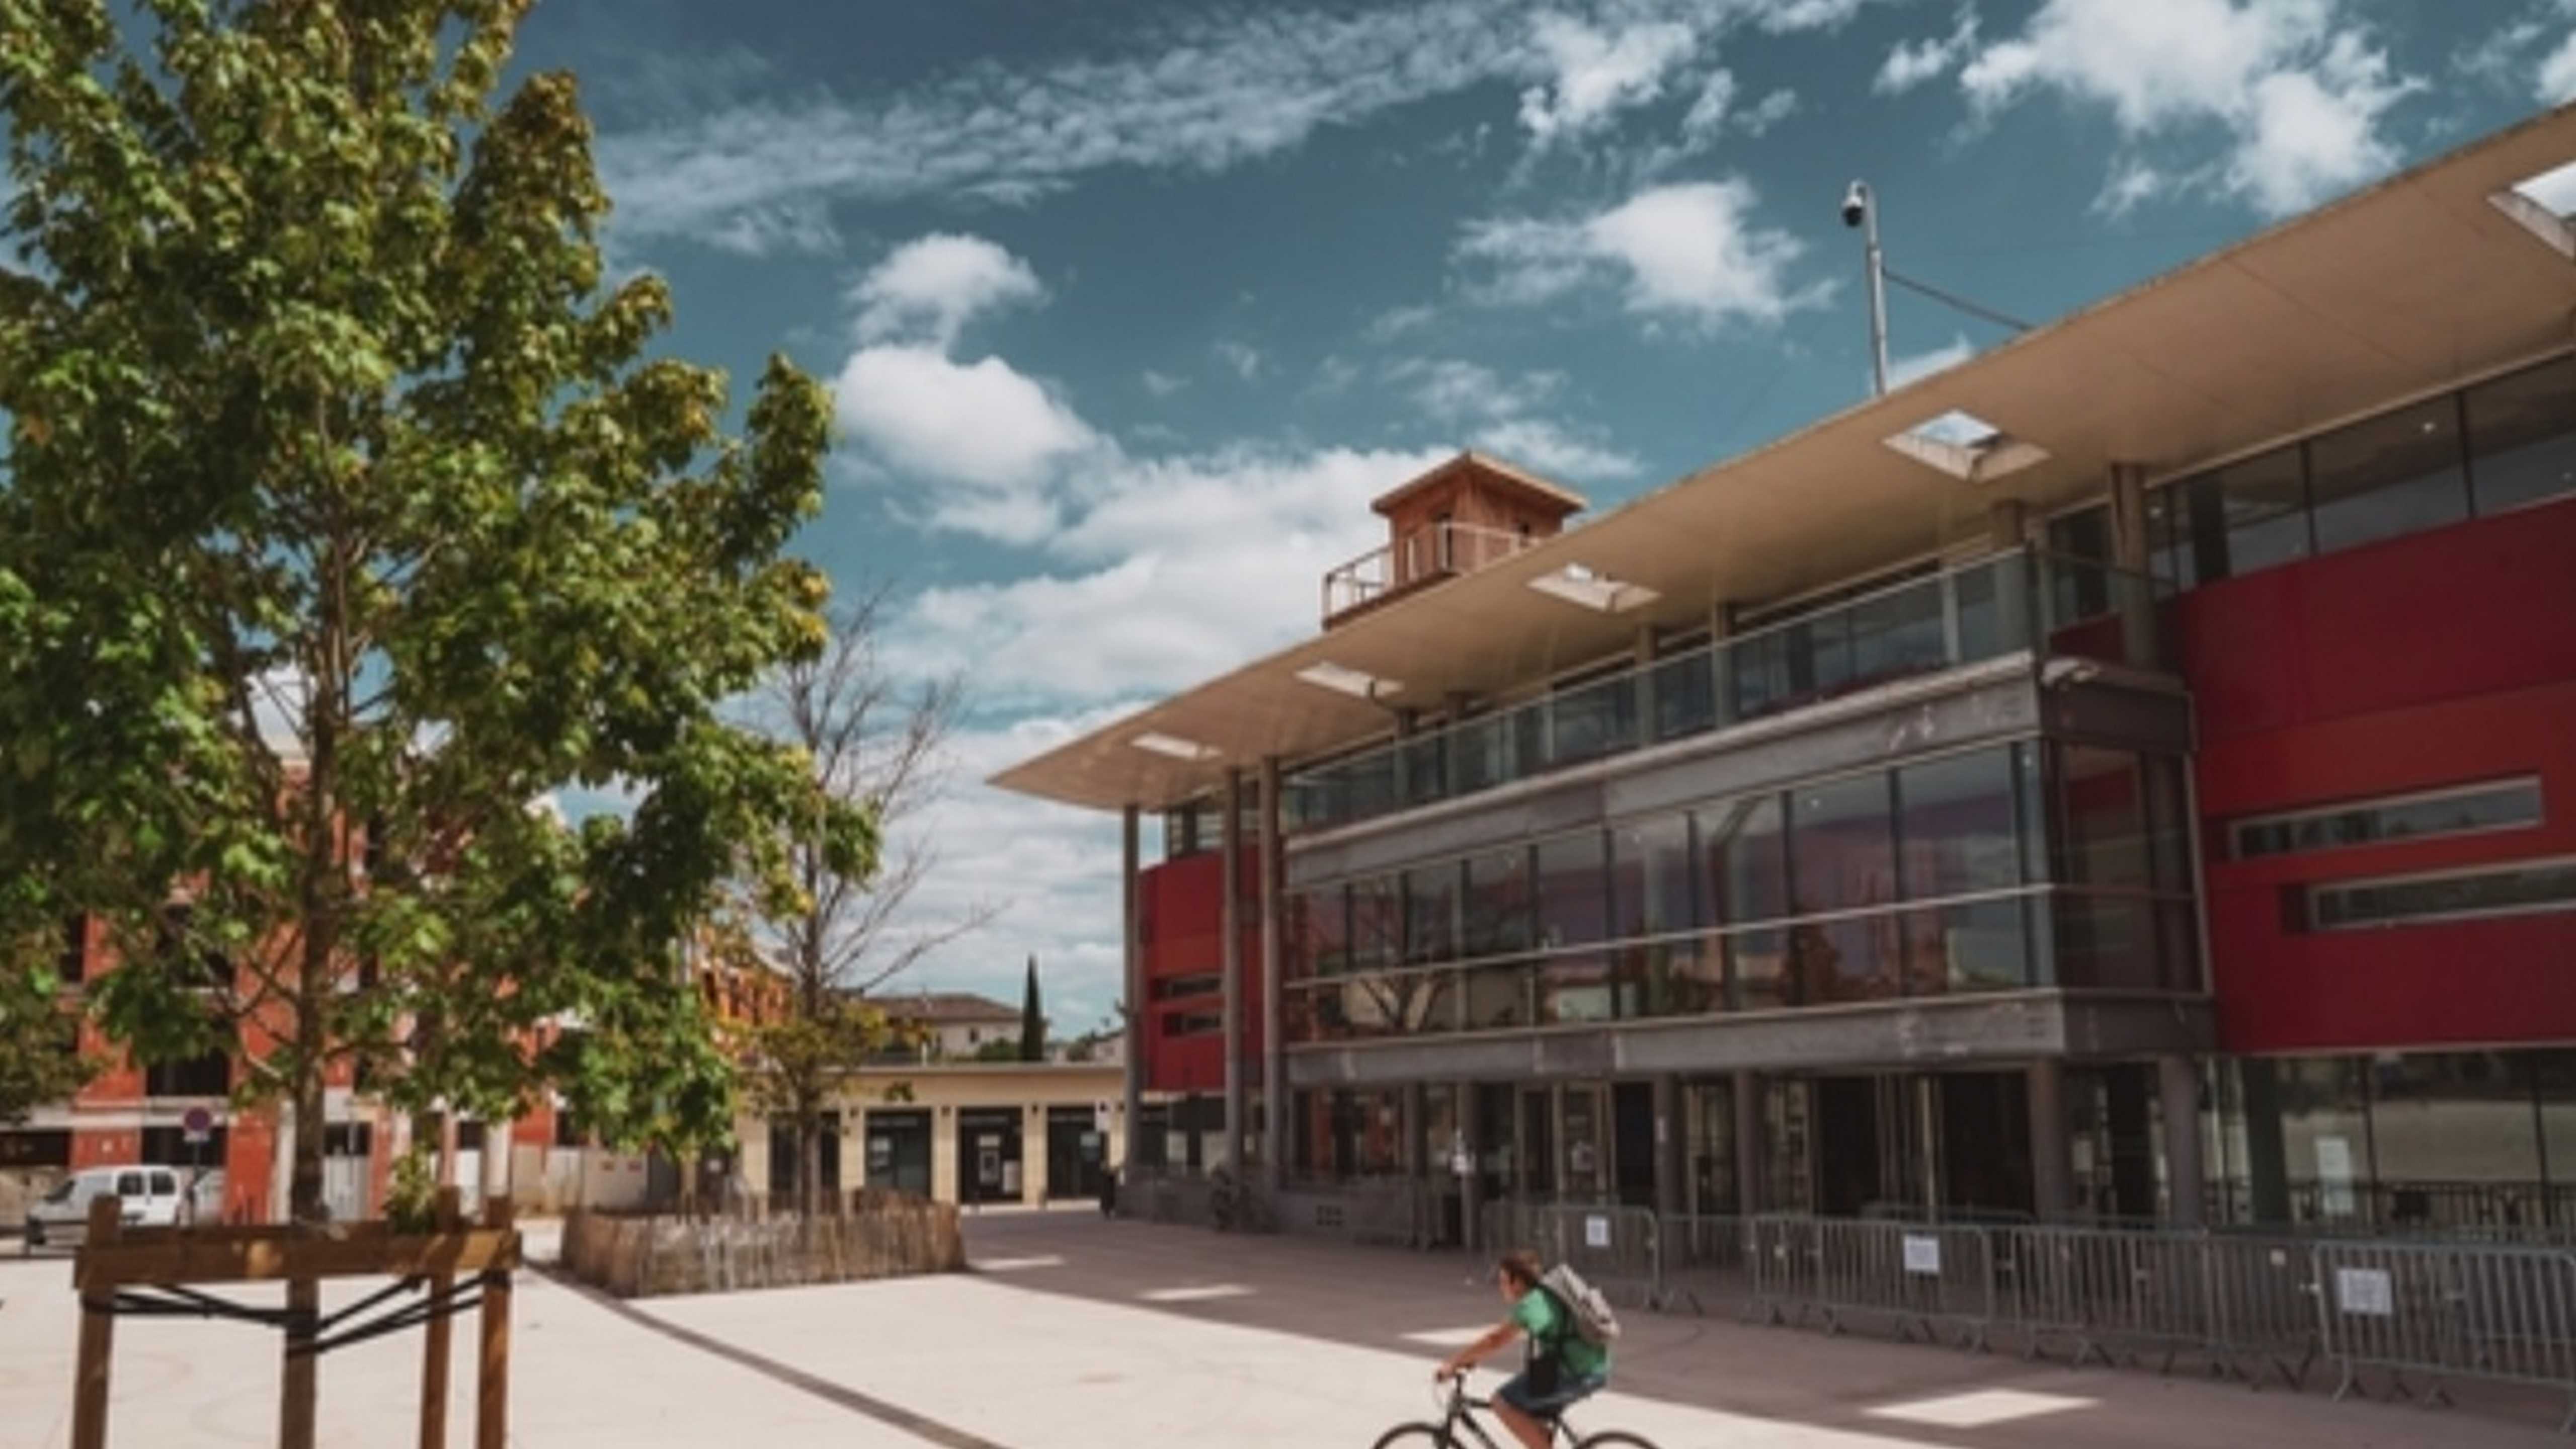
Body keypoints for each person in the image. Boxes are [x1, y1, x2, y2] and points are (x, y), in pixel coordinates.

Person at [1435, 1250, 1610, 1448]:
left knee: (1502, 1402)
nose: (1500, 1288)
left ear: (1516, 1282)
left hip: (1575, 1372)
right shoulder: (1546, 1294)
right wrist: (1472, 1358)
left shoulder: (1532, 1304)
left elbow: (1496, 1340)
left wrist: (1454, 1362)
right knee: (1527, 1414)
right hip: (1586, 1366)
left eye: (1503, 1281)